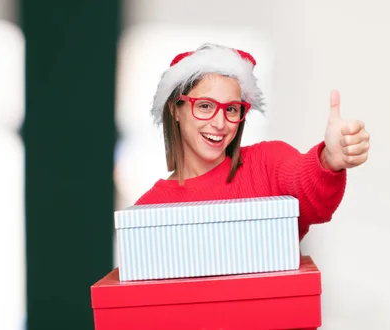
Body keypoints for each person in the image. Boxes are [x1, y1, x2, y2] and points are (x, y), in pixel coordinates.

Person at [135, 43, 370, 242]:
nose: (219, 123)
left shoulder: (267, 165)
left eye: (231, 109)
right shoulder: (146, 213)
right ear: (174, 109)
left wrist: (328, 160)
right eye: (205, 106)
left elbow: (307, 189)